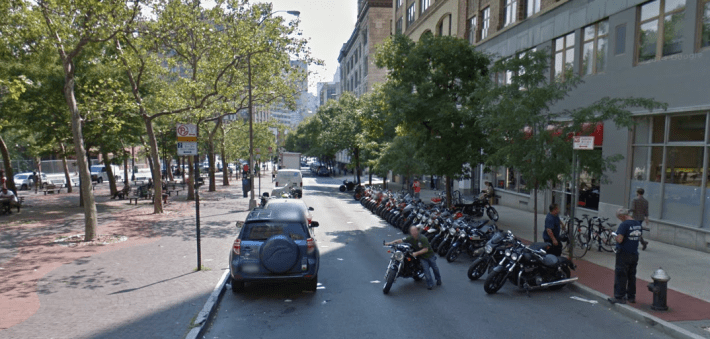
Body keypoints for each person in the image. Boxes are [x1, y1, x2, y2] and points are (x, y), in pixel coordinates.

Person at [385, 226, 442, 290]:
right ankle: (430, 284)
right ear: (411, 232)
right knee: (426, 270)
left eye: (415, 231)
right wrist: (389, 243)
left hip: (430, 256)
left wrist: (416, 253)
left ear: (417, 231)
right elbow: (400, 240)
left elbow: (426, 249)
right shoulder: (410, 238)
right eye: (412, 231)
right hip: (422, 257)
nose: (414, 232)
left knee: (435, 268)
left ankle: (438, 279)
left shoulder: (423, 238)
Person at [608, 208, 643, 304]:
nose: (620, 220)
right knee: (632, 275)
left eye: (619, 218)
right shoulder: (637, 224)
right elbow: (638, 236)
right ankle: (631, 296)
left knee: (621, 275)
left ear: (622, 216)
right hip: (634, 253)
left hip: (623, 253)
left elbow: (619, 239)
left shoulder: (624, 225)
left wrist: (614, 235)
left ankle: (619, 296)